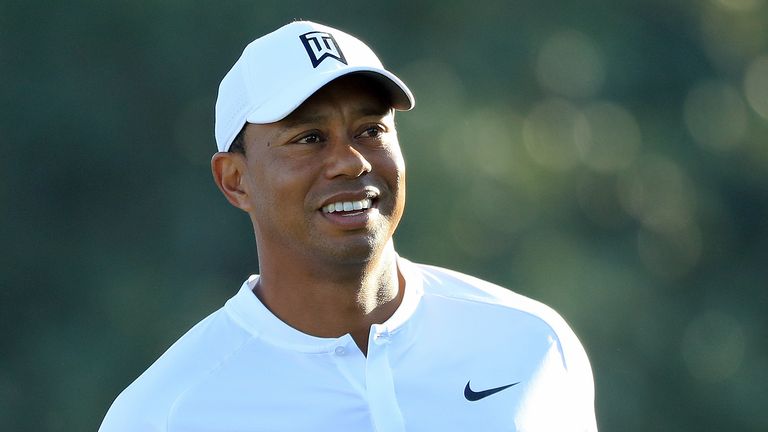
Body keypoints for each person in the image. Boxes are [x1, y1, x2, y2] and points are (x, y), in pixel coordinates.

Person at [99, 20, 598, 431]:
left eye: (370, 130)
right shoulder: (163, 413)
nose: (351, 161)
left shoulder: (532, 344)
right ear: (235, 181)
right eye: (310, 137)